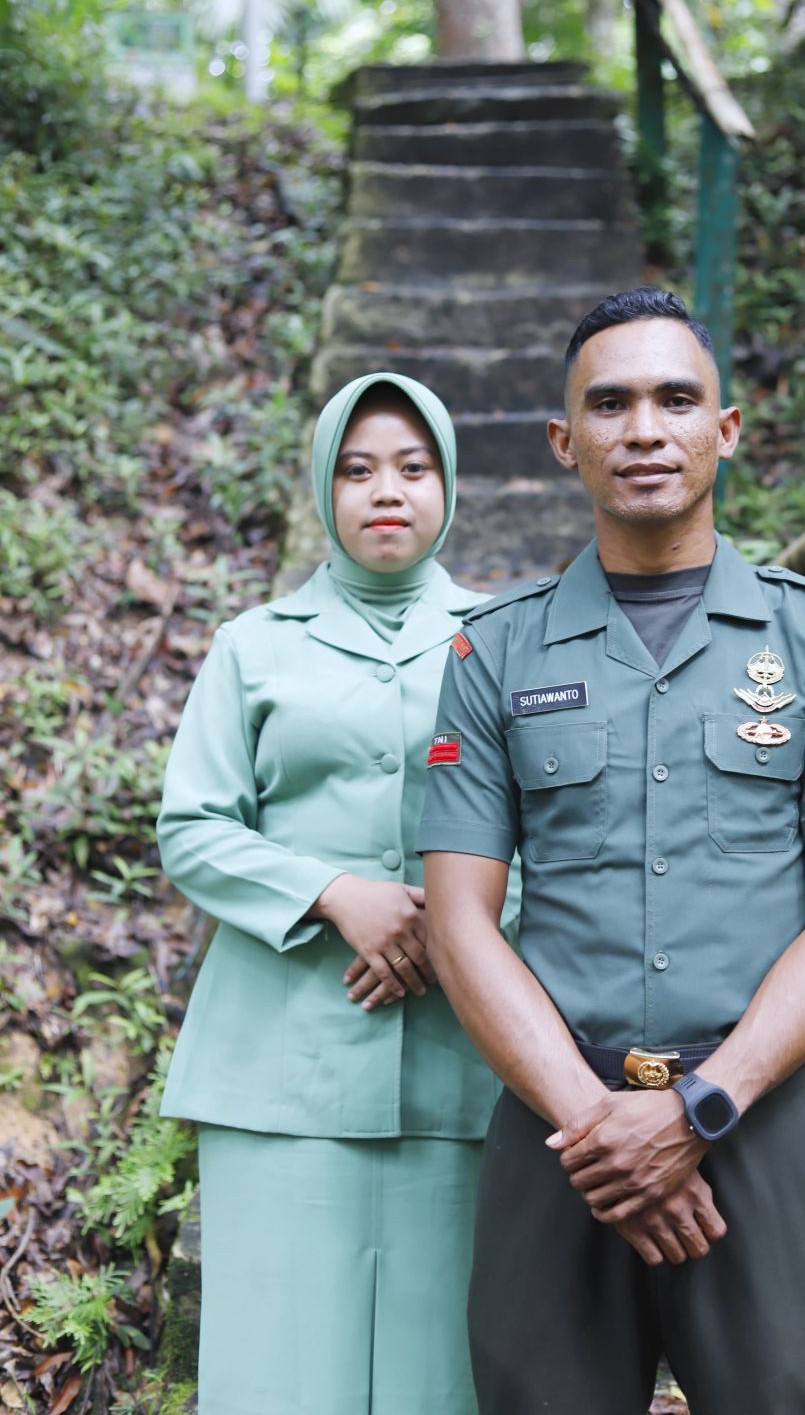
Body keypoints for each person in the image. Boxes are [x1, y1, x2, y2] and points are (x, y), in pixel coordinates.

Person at [418, 287, 805, 1415]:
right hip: (557, 1129)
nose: (644, 428)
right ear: (563, 440)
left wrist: (697, 1112)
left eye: (676, 399)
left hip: (756, 1117)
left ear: (724, 430)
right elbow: (457, 919)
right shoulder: (494, 653)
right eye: (610, 403)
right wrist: (599, 1129)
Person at [157, 371, 515, 1415]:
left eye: (412, 467)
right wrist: (331, 892)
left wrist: (452, 926)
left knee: (441, 1371)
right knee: (278, 1370)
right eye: (357, 470)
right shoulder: (253, 644)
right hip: (280, 1059)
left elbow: (556, 827)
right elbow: (193, 826)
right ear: (323, 486)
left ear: (448, 483)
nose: (385, 490)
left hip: (463, 1054)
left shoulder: (507, 640)